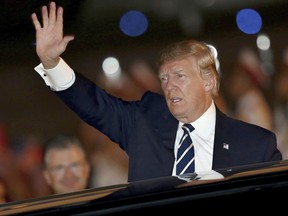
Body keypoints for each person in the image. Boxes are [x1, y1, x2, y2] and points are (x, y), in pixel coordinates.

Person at [31, 2, 282, 183]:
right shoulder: (144, 121)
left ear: (208, 81)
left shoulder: (255, 145)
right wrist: (52, 63)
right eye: (164, 78)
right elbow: (94, 105)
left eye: (179, 76)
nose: (169, 86)